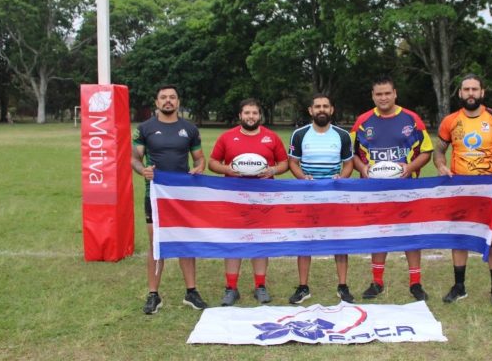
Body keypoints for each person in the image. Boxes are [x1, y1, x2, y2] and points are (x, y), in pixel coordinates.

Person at [434, 73, 492, 307]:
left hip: (487, 190)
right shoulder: (450, 121)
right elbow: (439, 151)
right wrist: (441, 166)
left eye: (474, 89)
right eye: (466, 89)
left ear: (482, 92)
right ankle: (459, 287)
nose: (470, 93)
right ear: (460, 93)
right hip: (459, 189)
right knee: (460, 237)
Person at [350, 76, 433, 301]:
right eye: (379, 94)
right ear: (373, 96)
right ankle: (376, 282)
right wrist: (363, 168)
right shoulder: (362, 122)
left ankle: (415, 283)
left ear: (395, 93)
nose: (383, 97)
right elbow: (351, 154)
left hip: (407, 189)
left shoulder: (412, 119)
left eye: (387, 93)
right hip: (374, 191)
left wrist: (410, 167)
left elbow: (426, 150)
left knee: (411, 235)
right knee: (379, 233)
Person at [132, 84, 208, 315]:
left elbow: (199, 159)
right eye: (163, 97)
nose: (168, 101)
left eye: (172, 97)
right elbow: (134, 158)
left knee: (186, 241)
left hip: (182, 195)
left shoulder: (189, 129)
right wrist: (141, 170)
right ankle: (153, 294)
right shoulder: (145, 128)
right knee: (157, 243)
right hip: (155, 195)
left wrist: (199, 168)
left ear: (178, 102)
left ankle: (191, 292)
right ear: (156, 102)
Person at [208, 98, 289, 306]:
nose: (250, 116)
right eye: (247, 113)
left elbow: (284, 163)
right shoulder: (227, 137)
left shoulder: (271, 138)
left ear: (259, 115)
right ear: (240, 115)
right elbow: (212, 162)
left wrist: (272, 170)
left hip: (263, 199)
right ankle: (231, 288)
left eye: (254, 113)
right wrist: (226, 169)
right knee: (234, 241)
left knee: (260, 241)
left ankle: (260, 286)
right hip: (233, 199)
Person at [287, 94, 355, 304]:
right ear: (311, 110)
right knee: (305, 241)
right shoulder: (299, 135)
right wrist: (303, 178)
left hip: (334, 196)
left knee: (339, 241)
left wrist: (341, 178)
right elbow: (293, 163)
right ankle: (303, 287)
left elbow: (349, 164)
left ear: (332, 110)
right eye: (318, 106)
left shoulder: (342, 135)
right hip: (307, 196)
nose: (322, 109)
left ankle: (343, 286)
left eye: (326, 106)